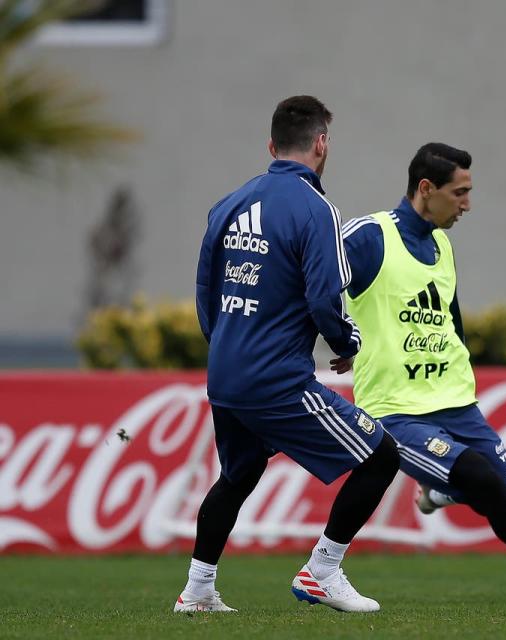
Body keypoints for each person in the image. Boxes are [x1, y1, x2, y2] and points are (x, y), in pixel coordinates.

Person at [340, 142, 506, 606]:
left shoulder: (441, 243)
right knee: (479, 476)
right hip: (396, 411)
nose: (467, 205)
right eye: (459, 193)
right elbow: (312, 283)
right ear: (426, 189)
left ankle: (440, 491)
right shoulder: (369, 237)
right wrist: (337, 336)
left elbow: (450, 320)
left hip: (457, 403)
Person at [177, 95, 400, 614]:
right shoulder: (316, 208)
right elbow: (325, 298)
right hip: (275, 378)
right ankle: (323, 570)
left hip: (226, 372)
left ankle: (198, 590)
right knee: (381, 455)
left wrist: (228, 346)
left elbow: (205, 292)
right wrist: (347, 345)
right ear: (322, 143)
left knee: (239, 473)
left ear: (272, 145)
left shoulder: (228, 203)